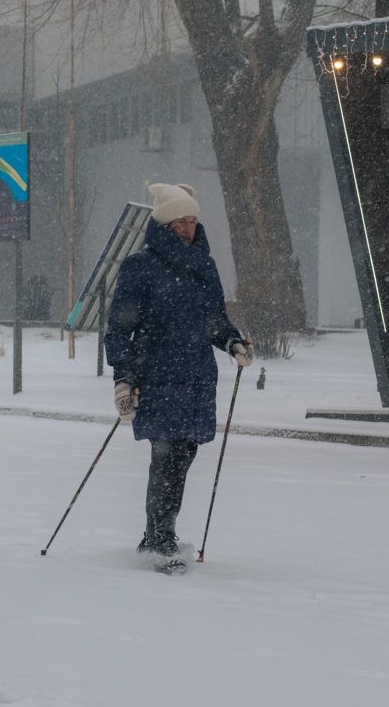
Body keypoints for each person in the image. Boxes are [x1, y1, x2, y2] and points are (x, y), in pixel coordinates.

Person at [104, 183, 253, 574]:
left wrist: (232, 341)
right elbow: (120, 327)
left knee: (184, 454)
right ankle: (160, 539)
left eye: (192, 220)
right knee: (165, 452)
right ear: (165, 223)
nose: (188, 228)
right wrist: (123, 378)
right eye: (181, 221)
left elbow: (213, 319)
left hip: (196, 375)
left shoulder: (204, 265)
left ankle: (155, 535)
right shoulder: (139, 266)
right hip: (156, 373)